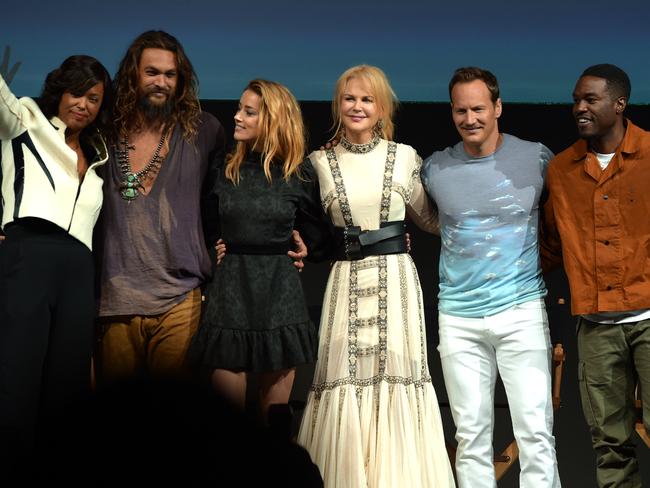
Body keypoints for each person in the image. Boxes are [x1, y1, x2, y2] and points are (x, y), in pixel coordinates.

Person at [297, 65, 454, 488]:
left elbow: (432, 220)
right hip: (345, 281)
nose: (357, 106)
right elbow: (302, 225)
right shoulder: (319, 163)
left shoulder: (404, 157)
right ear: (338, 105)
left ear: (382, 107)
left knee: (396, 377)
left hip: (395, 280)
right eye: (349, 98)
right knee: (342, 379)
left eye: (367, 99)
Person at [421, 67, 560, 488]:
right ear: (452, 112)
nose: (470, 119)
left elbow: (561, 221)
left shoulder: (536, 157)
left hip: (521, 309)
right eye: (461, 110)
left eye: (479, 108)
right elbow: (420, 217)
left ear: (497, 107)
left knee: (535, 432)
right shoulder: (434, 169)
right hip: (459, 317)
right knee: (471, 436)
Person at [190, 79, 332, 423]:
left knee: (275, 423)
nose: (237, 117)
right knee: (229, 421)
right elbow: (203, 221)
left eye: (248, 112)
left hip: (278, 292)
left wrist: (303, 246)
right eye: (239, 108)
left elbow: (320, 235)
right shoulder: (223, 169)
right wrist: (215, 247)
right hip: (231, 290)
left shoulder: (298, 173)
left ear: (272, 120)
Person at [0, 54, 112, 474]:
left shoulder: (99, 157)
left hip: (79, 271)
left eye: (94, 98)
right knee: (17, 375)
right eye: (76, 92)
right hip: (29, 256)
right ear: (58, 92)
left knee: (67, 383)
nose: (83, 103)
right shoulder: (24, 120)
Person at [541, 64, 650, 488]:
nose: (579, 108)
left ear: (620, 104)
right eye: (575, 100)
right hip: (596, 326)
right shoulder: (563, 169)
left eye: (590, 100)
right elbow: (551, 243)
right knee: (609, 443)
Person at [95, 31, 226, 383]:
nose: (161, 82)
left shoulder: (203, 131)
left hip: (180, 297)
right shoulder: (104, 132)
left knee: (172, 418)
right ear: (133, 75)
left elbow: (234, 187)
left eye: (170, 75)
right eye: (152, 72)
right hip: (116, 300)